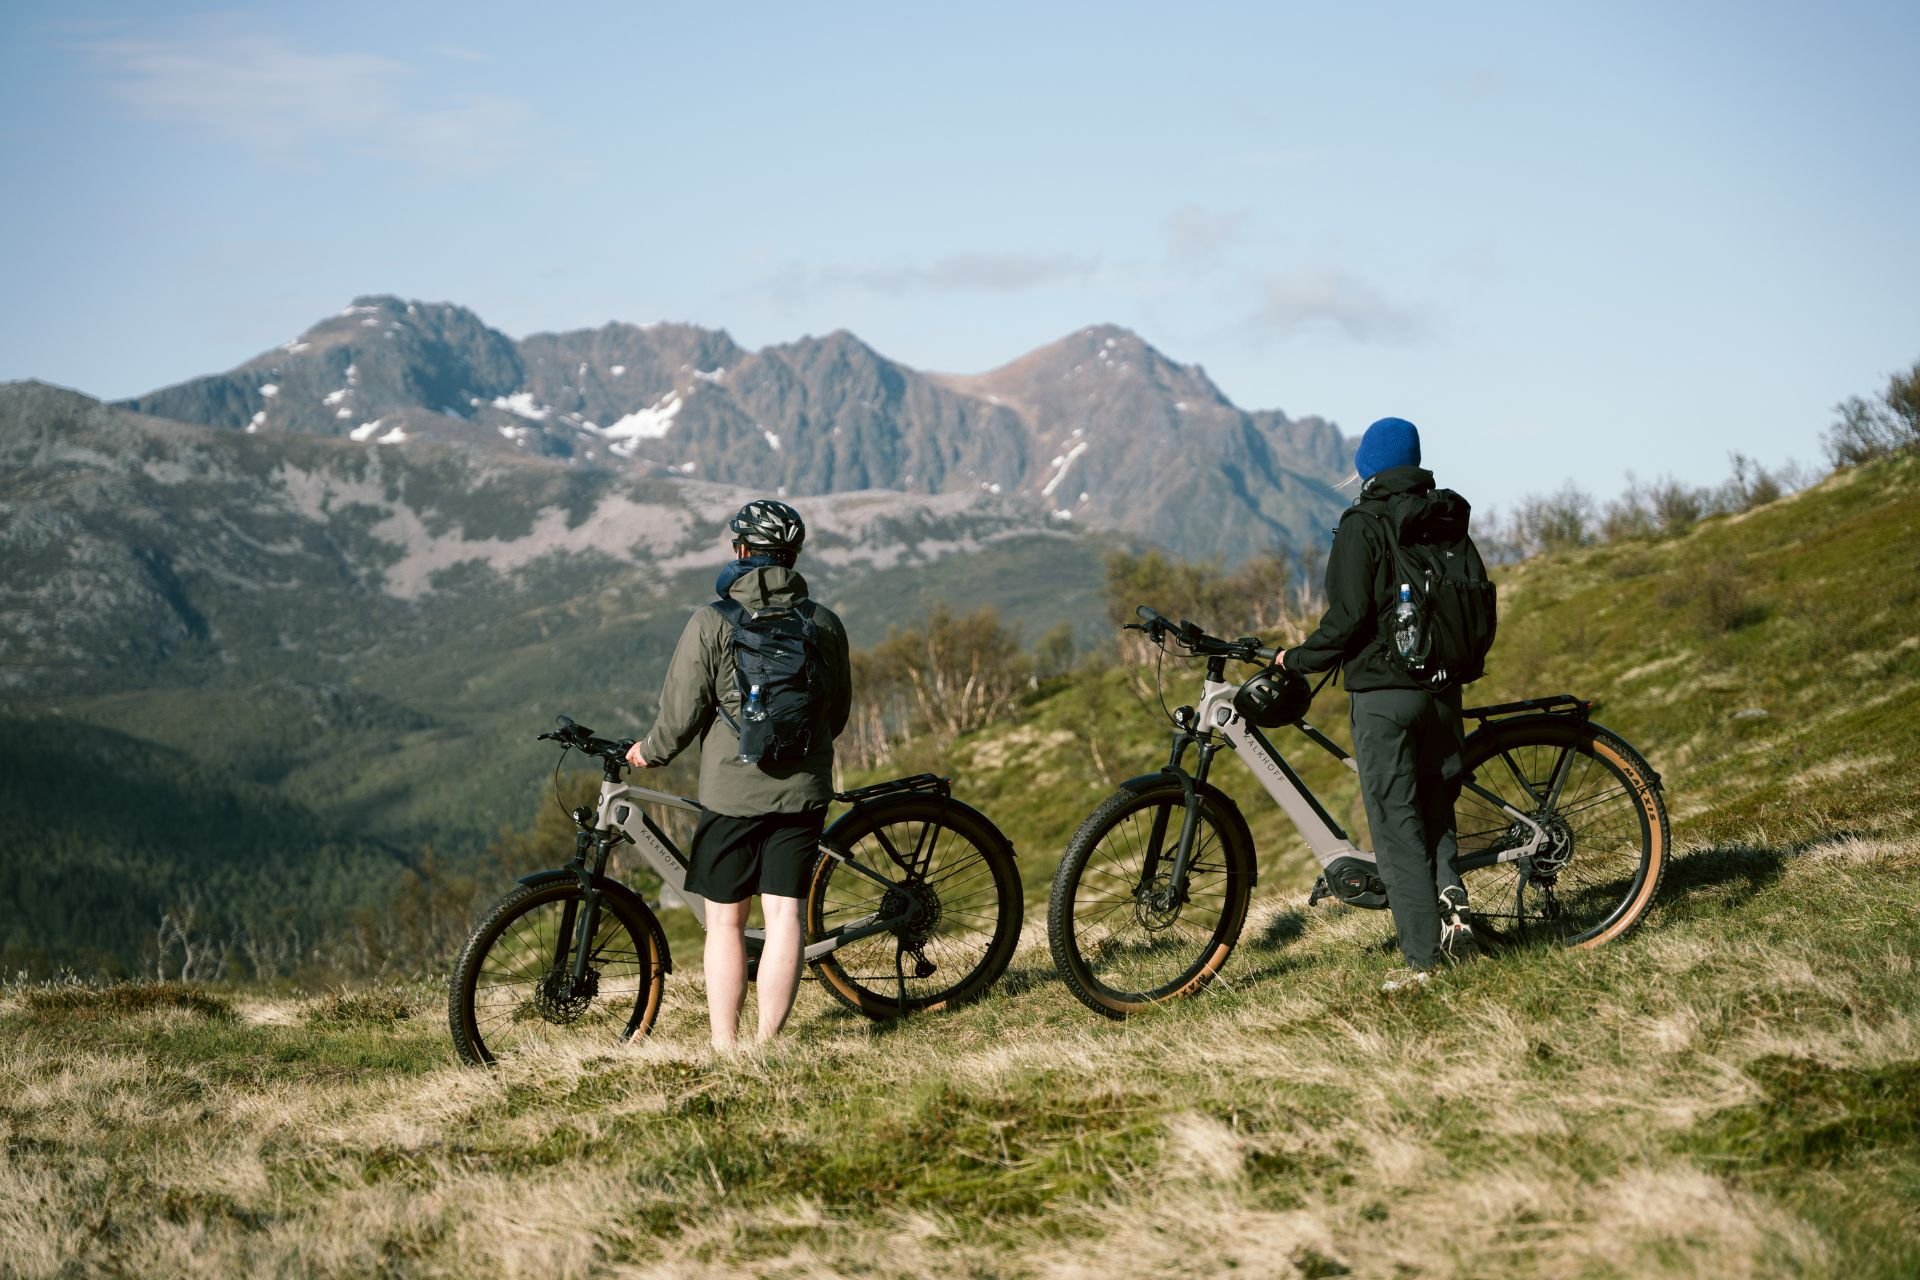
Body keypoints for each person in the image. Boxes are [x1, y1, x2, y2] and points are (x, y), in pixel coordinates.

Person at [625, 499, 853, 1048]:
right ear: (792, 556)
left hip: (730, 794)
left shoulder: (712, 621)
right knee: (784, 919)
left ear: (742, 552)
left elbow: (681, 714)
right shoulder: (822, 622)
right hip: (802, 794)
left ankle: (725, 1046)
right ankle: (766, 1044)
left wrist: (649, 753)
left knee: (725, 922)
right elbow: (838, 713)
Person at [1278, 417, 1479, 992]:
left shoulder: (1363, 523)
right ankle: (1453, 913)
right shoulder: (1444, 517)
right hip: (1443, 693)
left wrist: (1295, 660)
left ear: (1367, 466)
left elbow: (1346, 621)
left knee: (1395, 829)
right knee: (1437, 811)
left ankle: (1423, 965)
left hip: (1385, 699)